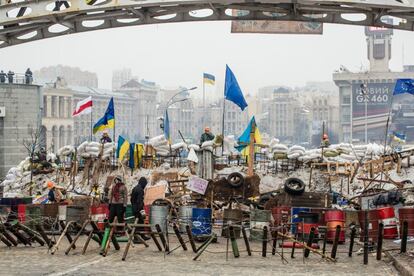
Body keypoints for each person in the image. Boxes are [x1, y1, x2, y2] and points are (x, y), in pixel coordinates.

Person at [130, 177, 150, 241]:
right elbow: (139, 201)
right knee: (140, 223)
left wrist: (134, 206)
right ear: (143, 183)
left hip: (134, 208)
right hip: (138, 209)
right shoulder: (140, 190)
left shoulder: (134, 188)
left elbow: (131, 199)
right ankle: (141, 236)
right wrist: (141, 210)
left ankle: (138, 237)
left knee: (137, 223)